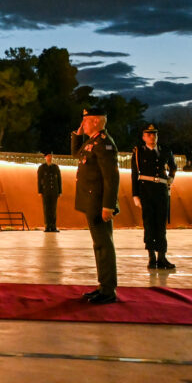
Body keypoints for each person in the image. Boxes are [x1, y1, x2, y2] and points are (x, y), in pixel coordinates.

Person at [72, 107, 120, 304]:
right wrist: (77, 135)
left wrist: (108, 205)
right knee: (99, 245)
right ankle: (103, 286)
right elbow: (77, 154)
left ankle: (108, 291)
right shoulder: (93, 142)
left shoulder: (104, 144)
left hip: (99, 203)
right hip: (92, 202)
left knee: (104, 245)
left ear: (95, 121)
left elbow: (111, 177)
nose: (82, 124)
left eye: (85, 121)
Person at [131, 124, 177, 270]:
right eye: (149, 134)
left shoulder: (165, 150)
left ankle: (162, 257)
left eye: (154, 134)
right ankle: (151, 257)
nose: (152, 137)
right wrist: (135, 195)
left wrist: (171, 178)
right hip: (146, 191)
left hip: (161, 190)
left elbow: (173, 166)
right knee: (149, 224)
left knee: (161, 224)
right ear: (143, 137)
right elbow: (134, 174)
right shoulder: (138, 152)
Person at [37, 152, 62, 232]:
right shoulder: (42, 167)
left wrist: (60, 191)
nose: (49, 157)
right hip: (45, 191)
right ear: (45, 157)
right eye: (48, 156)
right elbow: (39, 180)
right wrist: (40, 191)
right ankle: (47, 226)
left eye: (50, 156)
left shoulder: (55, 167)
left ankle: (53, 226)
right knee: (46, 209)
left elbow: (59, 180)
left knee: (53, 209)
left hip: (54, 191)